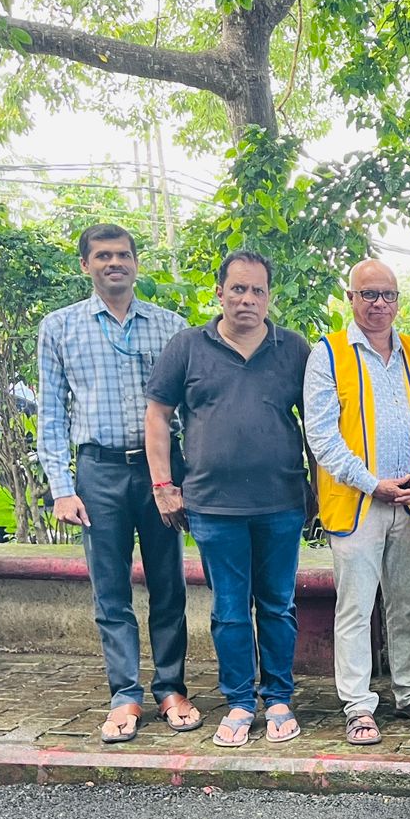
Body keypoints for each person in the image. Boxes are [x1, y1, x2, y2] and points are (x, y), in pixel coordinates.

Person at [144, 251, 310, 748]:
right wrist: (163, 484)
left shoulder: (294, 349)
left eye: (258, 290)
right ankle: (240, 701)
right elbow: (157, 417)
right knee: (230, 610)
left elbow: (318, 426)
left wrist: (319, 491)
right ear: (219, 292)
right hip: (213, 506)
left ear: (269, 297)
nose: (248, 299)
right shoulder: (188, 347)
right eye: (238, 289)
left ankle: (278, 697)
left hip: (281, 501)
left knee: (278, 605)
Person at [35, 223, 194, 744]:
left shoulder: (171, 327)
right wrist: (62, 487)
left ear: (136, 262)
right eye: (102, 256)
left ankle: (171, 687)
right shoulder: (58, 328)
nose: (114, 263)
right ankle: (125, 694)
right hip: (98, 471)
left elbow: (189, 411)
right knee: (110, 590)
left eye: (123, 254)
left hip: (160, 472)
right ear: (86, 265)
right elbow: (52, 414)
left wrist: (188, 476)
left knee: (169, 583)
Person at [304, 259, 410, 746]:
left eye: (387, 295)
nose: (378, 304)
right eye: (368, 294)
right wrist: (373, 484)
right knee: (355, 605)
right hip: (359, 502)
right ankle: (358, 706)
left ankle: (409, 693)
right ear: (351, 298)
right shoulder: (328, 354)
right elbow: (323, 438)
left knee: (406, 604)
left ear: (398, 301)